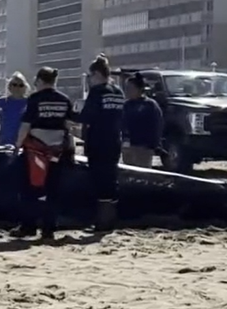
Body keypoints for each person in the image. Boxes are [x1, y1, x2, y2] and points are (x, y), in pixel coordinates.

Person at [13, 67, 77, 240]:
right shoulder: (64, 100)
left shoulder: (35, 99)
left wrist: (17, 146)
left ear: (40, 81)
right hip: (56, 151)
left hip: (35, 152)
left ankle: (29, 226)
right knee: (53, 190)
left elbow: (25, 126)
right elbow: (68, 126)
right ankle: (49, 228)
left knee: (29, 189)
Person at [78, 54, 125, 233]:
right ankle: (110, 220)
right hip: (114, 141)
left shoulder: (97, 92)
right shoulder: (118, 92)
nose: (89, 80)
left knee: (99, 181)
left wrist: (70, 117)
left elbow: (87, 116)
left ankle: (101, 222)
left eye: (90, 76)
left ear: (96, 74)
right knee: (111, 180)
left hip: (98, 142)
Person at [122, 73, 163, 168]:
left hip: (144, 148)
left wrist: (154, 145)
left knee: (143, 174)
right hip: (128, 147)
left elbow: (157, 126)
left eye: (130, 88)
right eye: (126, 88)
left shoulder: (150, 105)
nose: (127, 91)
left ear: (139, 89)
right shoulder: (127, 105)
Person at [0, 72, 29, 147]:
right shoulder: (3, 101)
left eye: (21, 85)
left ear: (25, 87)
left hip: (22, 144)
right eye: (14, 85)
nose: (17, 88)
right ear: (10, 86)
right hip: (3, 142)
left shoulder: (29, 102)